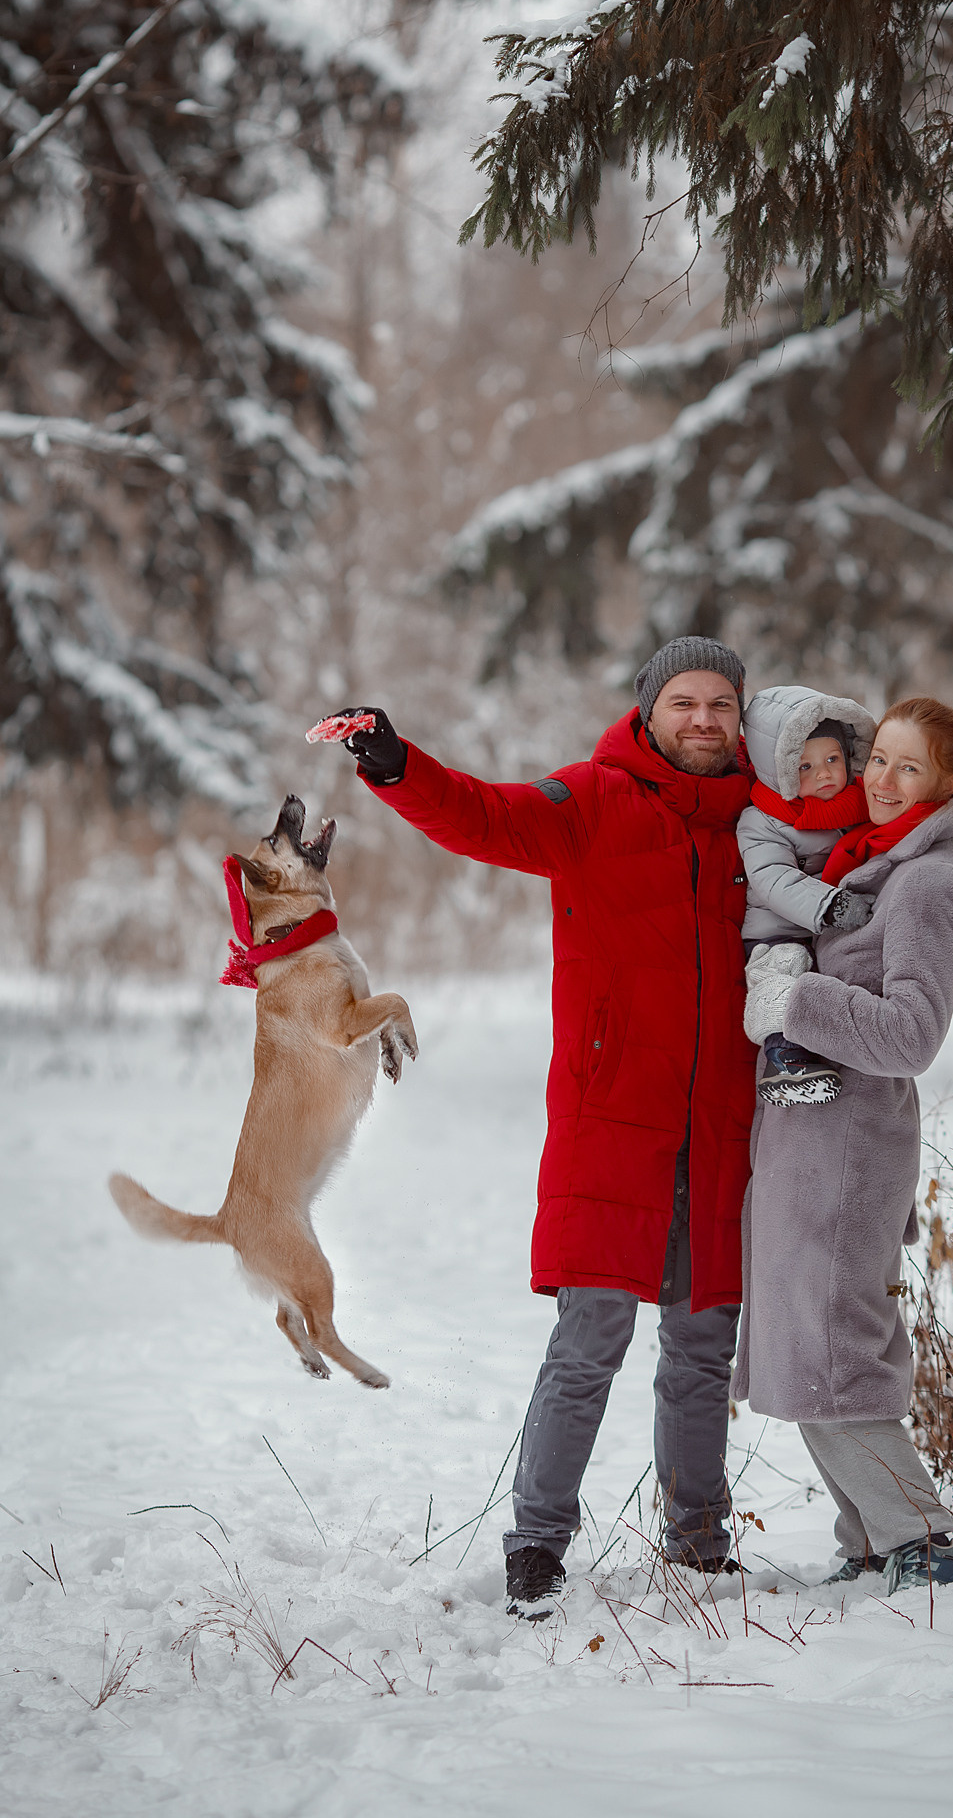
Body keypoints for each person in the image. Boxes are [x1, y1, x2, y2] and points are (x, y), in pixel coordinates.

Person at [327, 639, 758, 1618]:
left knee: (701, 1345)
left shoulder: (756, 822)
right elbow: (485, 815)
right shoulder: (592, 799)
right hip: (613, 1121)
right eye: (683, 702)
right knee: (590, 1336)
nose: (702, 719)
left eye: (721, 704)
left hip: (721, 1128)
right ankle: (536, 1546)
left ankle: (698, 1542)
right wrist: (396, 765)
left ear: (741, 717)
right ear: (647, 711)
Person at [733, 697, 953, 1593]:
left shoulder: (926, 883)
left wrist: (794, 1000)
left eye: (908, 767)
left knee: (833, 1351)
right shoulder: (867, 858)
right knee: (802, 1346)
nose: (882, 780)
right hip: (809, 1141)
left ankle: (924, 1544)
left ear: (950, 782)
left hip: (850, 1151)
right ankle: (871, 1543)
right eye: (878, 758)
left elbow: (912, 1035)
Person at [737, 686, 878, 1107]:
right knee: (784, 971)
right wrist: (827, 905)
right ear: (778, 771)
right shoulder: (762, 821)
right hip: (778, 929)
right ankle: (784, 1059)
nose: (824, 774)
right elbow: (773, 879)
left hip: (832, 924)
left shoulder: (859, 807)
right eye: (804, 766)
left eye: (832, 759)